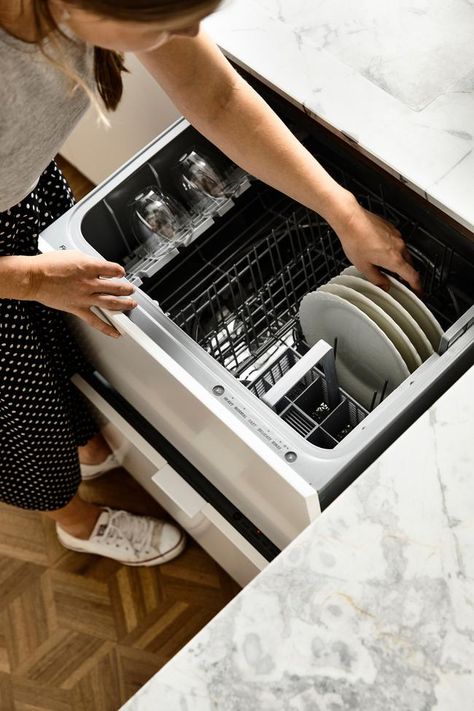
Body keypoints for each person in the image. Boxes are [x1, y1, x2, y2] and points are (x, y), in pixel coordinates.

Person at [0, 0, 421, 566]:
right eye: (165, 22)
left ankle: (91, 443)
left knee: (61, 348)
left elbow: (217, 96)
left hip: (19, 194)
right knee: (25, 431)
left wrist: (342, 212)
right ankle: (70, 517)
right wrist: (26, 278)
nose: (186, 34)